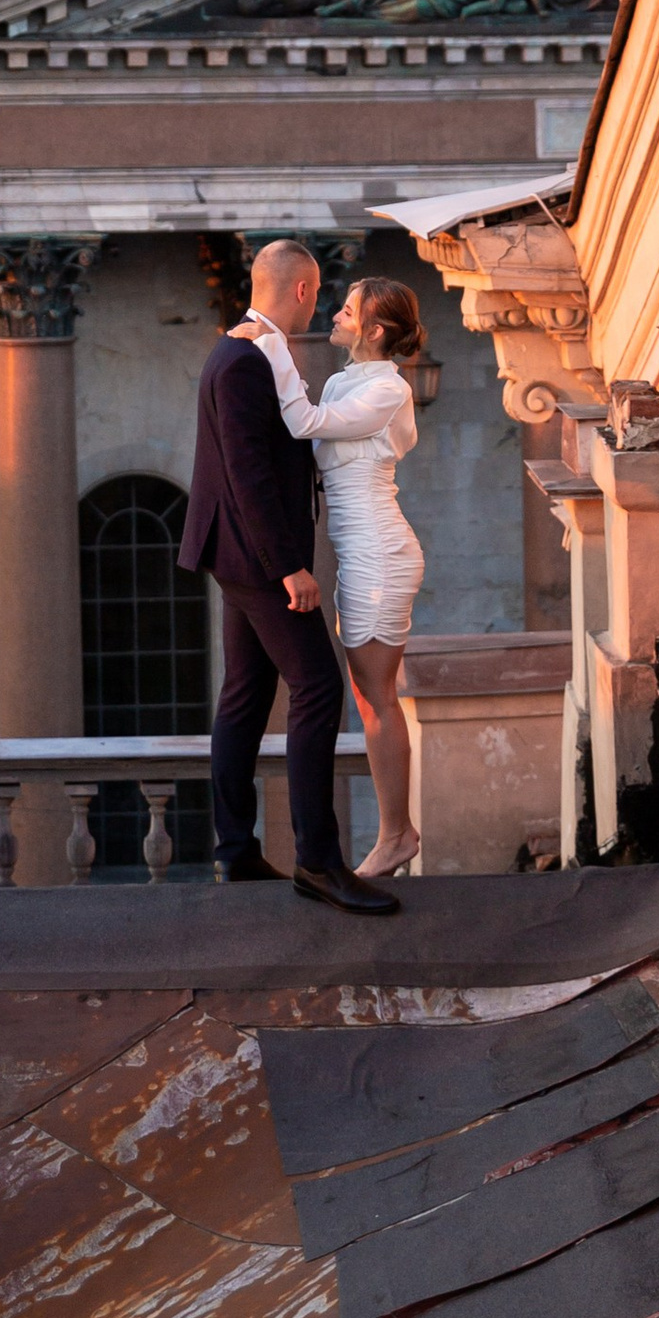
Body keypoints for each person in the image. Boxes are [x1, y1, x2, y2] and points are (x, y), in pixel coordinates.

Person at [179, 240, 398, 914]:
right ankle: (318, 861)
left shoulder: (245, 348)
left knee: (245, 693)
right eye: (320, 294)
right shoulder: (246, 358)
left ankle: (237, 850)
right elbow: (247, 476)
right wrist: (290, 569)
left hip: (235, 554)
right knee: (318, 688)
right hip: (257, 559)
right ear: (304, 290)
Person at [233, 274, 430, 878]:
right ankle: (396, 832)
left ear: (373, 330)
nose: (335, 317)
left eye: (348, 311)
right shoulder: (348, 380)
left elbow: (305, 423)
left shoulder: (389, 390)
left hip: (380, 555)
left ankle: (397, 835)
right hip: (359, 555)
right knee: (370, 701)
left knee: (376, 700)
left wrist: (269, 346)